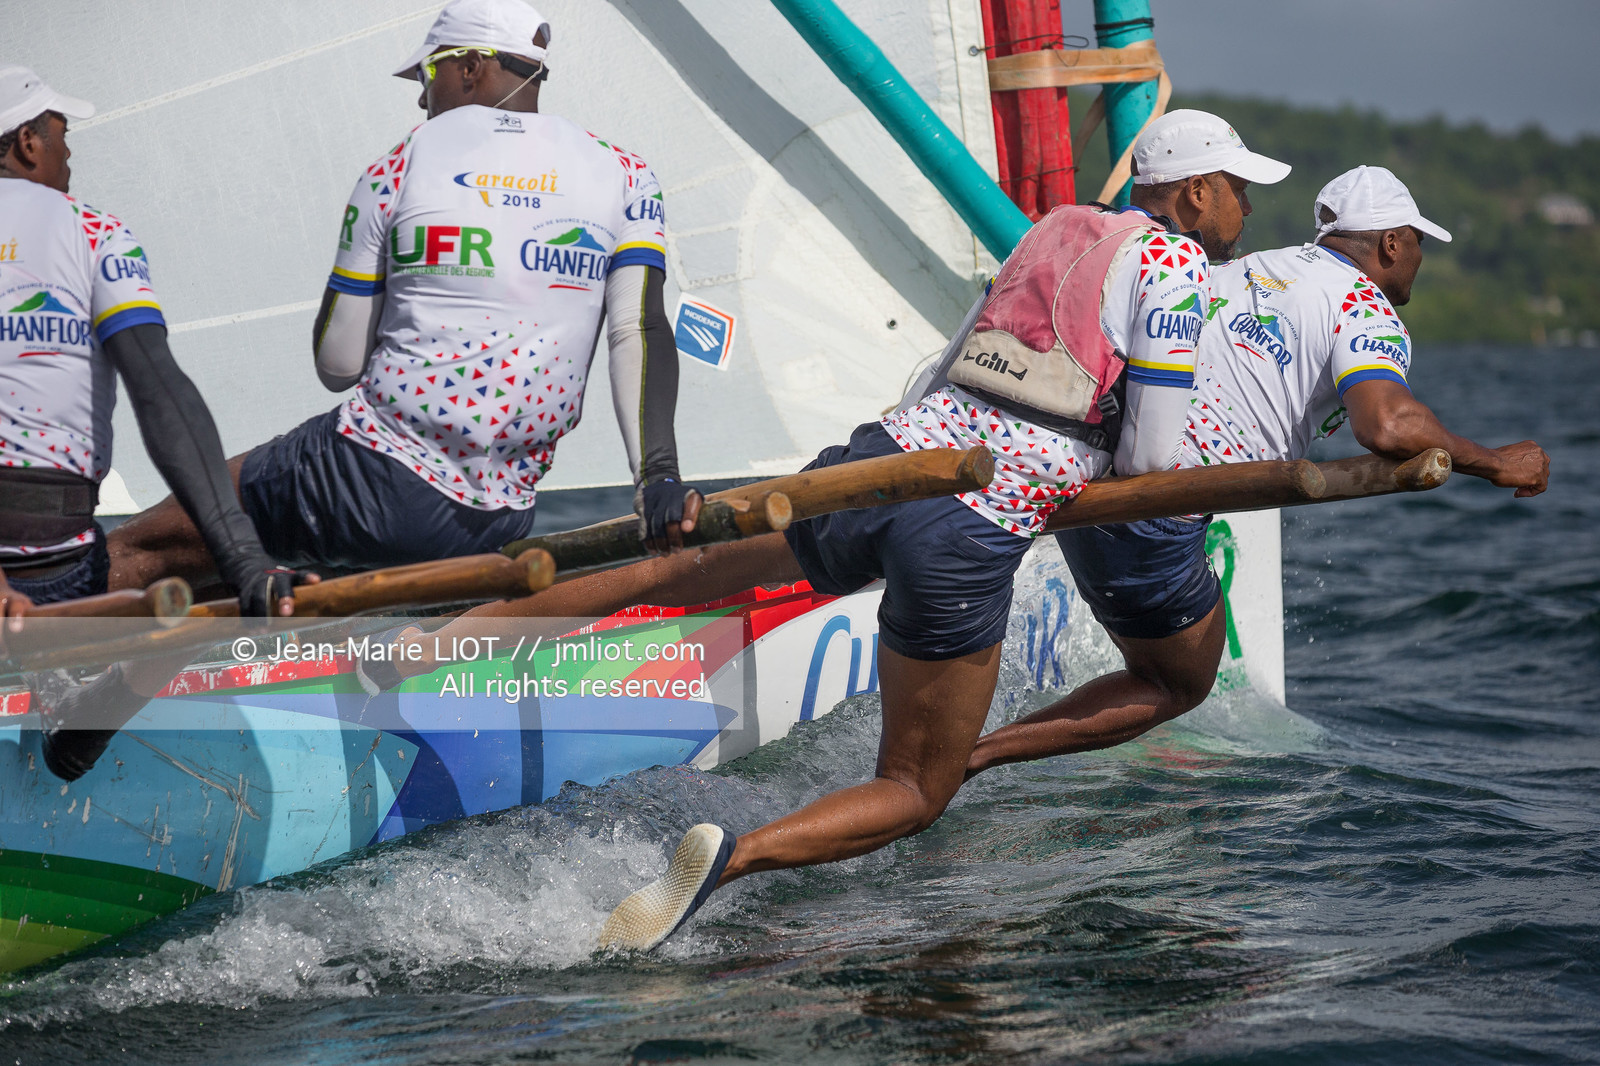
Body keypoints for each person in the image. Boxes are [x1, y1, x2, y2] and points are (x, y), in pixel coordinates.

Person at [593, 111, 1291, 951]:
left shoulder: (1057, 226)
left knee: (684, 570)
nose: (1244, 214)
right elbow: (1146, 456)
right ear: (1196, 191)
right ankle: (730, 858)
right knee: (915, 790)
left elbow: (948, 360)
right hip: (966, 521)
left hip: (880, 461)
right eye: (1239, 194)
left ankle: (443, 640)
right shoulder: (1176, 262)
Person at [962, 165, 1549, 779]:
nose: (1419, 259)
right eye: (1418, 243)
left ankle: (964, 749)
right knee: (1177, 684)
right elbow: (1388, 427)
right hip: (1156, 512)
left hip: (1095, 487)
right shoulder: (1364, 307)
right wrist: (1495, 462)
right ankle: (973, 759)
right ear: (1390, 244)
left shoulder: (1249, 267)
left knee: (1165, 656)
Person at [108, 0, 701, 592]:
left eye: (427, 74)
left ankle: (33, 667)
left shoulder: (399, 163)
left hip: (367, 479)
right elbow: (637, 330)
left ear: (470, 67)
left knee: (149, 544)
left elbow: (337, 365)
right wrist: (658, 478)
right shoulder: (627, 173)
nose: (422, 97)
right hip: (500, 515)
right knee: (229, 570)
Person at [0, 65, 303, 779]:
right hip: (50, 570)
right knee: (219, 550)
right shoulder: (92, 230)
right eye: (61, 135)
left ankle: (67, 699)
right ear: (27, 143)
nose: (69, 155)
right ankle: (84, 723)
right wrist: (244, 560)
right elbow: (160, 393)